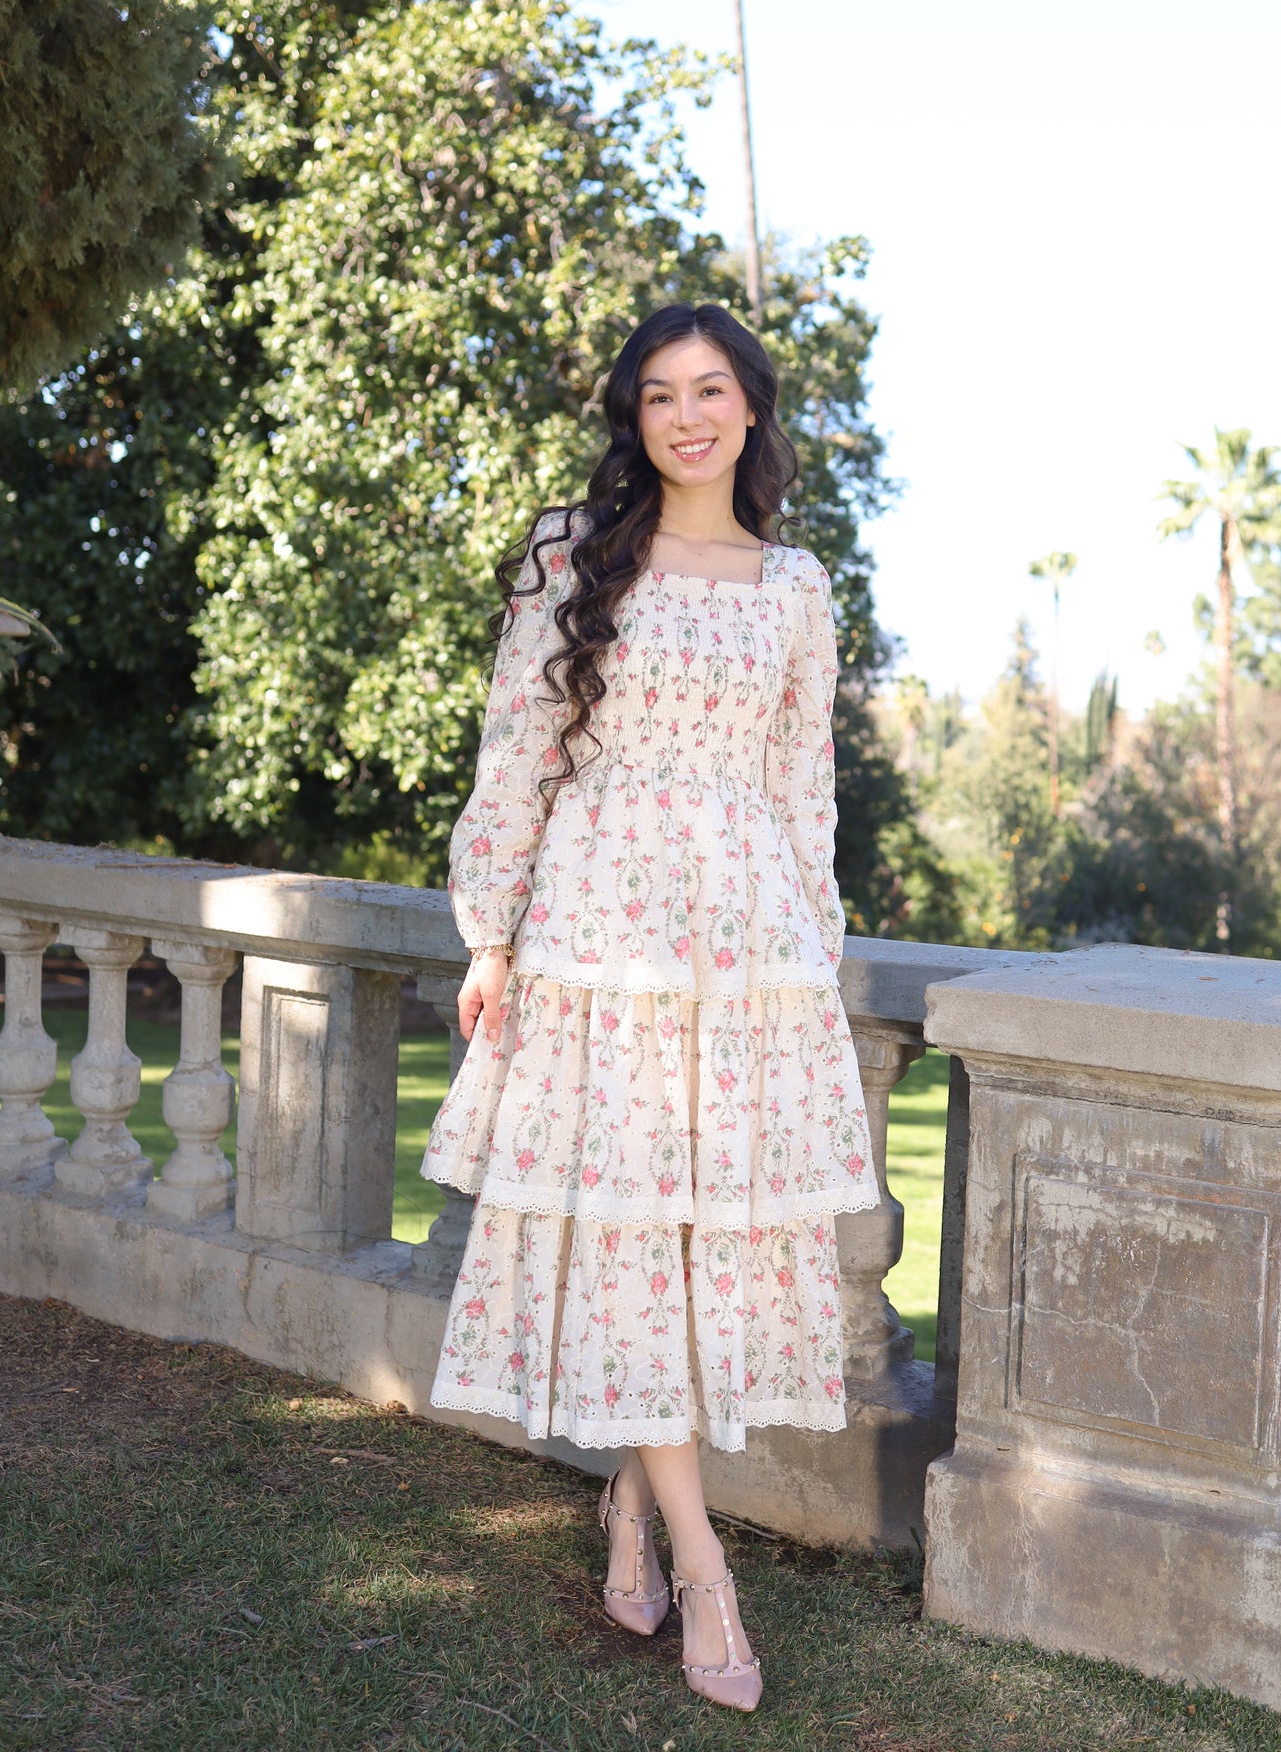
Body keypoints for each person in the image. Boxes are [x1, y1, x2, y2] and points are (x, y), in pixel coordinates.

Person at [420, 301, 881, 1713]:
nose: (687, 416)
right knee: (630, 1230)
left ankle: (630, 1500)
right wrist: (490, 931)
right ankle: (703, 1565)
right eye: (661, 394)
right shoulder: (570, 552)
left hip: (745, 942)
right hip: (600, 928)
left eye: (712, 389)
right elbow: (516, 748)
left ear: (751, 409)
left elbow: (803, 786)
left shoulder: (795, 585)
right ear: (635, 415)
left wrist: (813, 955)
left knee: (691, 1243)